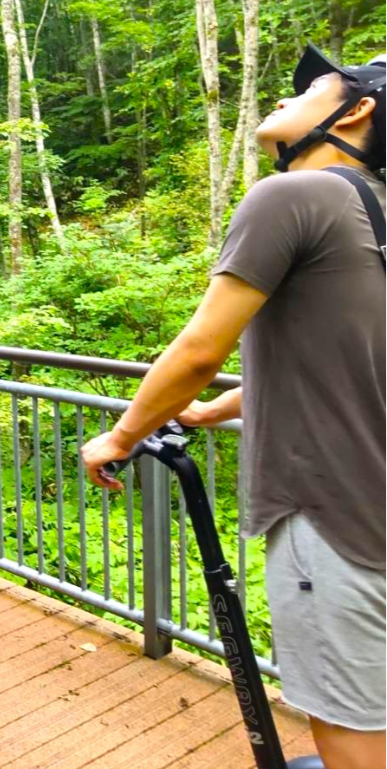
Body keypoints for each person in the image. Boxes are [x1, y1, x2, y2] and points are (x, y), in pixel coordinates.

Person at [80, 45, 386, 769]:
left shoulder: (292, 196)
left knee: (348, 728)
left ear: (360, 108)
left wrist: (122, 435)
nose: (289, 94)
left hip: (331, 512)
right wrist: (205, 415)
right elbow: (342, 369)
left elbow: (198, 352)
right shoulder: (372, 214)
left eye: (315, 85)